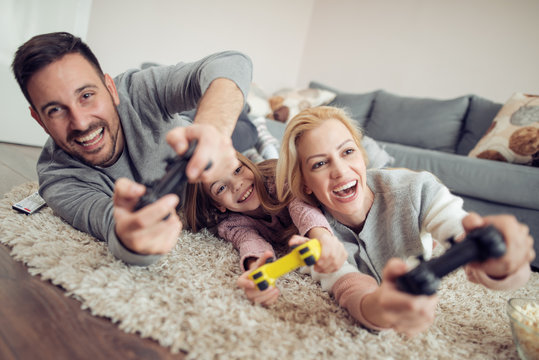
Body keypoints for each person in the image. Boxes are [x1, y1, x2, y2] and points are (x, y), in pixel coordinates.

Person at [275, 106, 535, 337]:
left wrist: (504, 264)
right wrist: (382, 309)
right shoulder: (316, 237)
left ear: (362, 156)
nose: (340, 171)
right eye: (320, 163)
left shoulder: (416, 189)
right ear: (306, 184)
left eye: (348, 152)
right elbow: (352, 291)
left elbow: (466, 237)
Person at [11, 31, 254, 266]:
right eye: (55, 110)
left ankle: (253, 115)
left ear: (110, 88)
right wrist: (134, 240)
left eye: (86, 95)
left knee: (247, 130)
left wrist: (214, 128)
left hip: (197, 125)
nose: (81, 122)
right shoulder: (60, 181)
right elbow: (113, 226)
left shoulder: (137, 89)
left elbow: (233, 61)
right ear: (39, 119)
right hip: (194, 186)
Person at [182, 152, 367, 305]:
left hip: (330, 214)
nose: (236, 184)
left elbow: (300, 206)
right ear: (217, 205)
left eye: (238, 170)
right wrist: (257, 268)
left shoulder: (276, 180)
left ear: (248, 164)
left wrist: (321, 237)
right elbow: (248, 241)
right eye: (221, 188)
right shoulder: (231, 222)